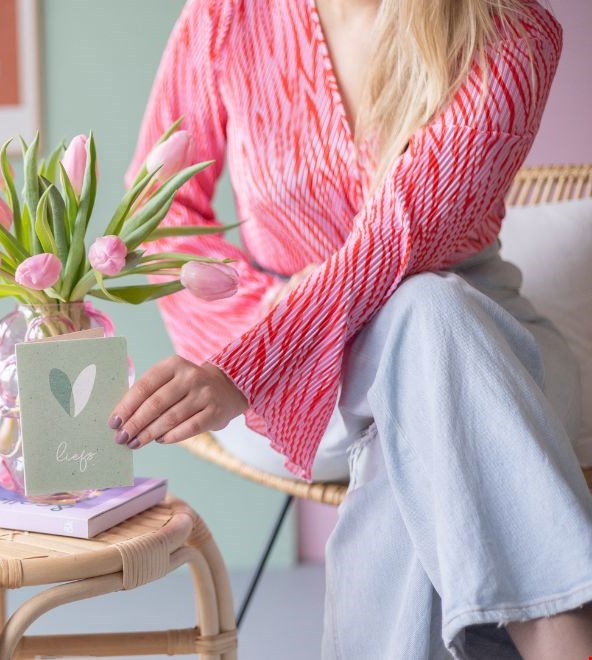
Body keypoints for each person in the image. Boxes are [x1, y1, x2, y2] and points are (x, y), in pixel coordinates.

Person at [110, 0, 592, 657]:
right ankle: (558, 626)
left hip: (490, 355)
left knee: (424, 314)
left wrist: (245, 367)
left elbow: (399, 239)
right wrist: (249, 339)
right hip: (295, 368)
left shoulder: (511, 31)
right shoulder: (229, 17)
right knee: (422, 360)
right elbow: (159, 220)